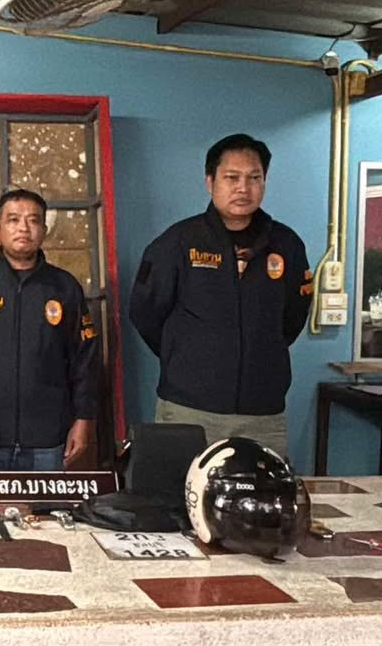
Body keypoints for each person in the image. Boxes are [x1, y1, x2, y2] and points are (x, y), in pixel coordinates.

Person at [129, 133, 312, 455]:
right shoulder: (177, 242)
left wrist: (259, 352)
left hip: (263, 413)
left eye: (254, 178)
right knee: (179, 487)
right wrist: (185, 354)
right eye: (232, 177)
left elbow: (293, 317)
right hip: (188, 409)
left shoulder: (287, 245)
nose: (243, 188)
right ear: (210, 181)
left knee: (264, 488)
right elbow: (145, 312)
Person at [0, 189, 98, 471]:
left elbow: (84, 361)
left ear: (44, 230)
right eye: (13, 220)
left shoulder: (64, 287)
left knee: (46, 502)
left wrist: (84, 418)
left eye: (33, 220)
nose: (23, 228)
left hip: (48, 439)